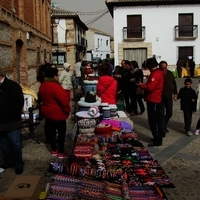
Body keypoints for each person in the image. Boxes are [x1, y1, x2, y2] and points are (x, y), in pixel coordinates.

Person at [39, 68, 71, 158]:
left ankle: (53, 150)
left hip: (47, 113)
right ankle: (61, 152)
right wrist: (67, 110)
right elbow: (63, 101)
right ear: (54, 76)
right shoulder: (55, 86)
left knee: (51, 132)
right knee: (61, 133)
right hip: (58, 114)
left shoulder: (43, 85)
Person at [0, 70, 24, 174]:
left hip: (12, 122)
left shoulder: (13, 86)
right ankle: (8, 161)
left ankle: (18, 164)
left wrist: (6, 113)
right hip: (0, 123)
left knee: (15, 144)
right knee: (3, 144)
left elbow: (18, 104)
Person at [137, 57, 164, 147]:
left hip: (154, 99)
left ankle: (157, 140)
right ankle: (157, 136)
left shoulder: (155, 74)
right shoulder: (158, 73)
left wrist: (141, 85)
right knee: (155, 120)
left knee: (154, 121)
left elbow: (150, 87)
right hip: (155, 98)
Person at [159, 61, 178, 137]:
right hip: (160, 97)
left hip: (169, 97)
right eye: (162, 67)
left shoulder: (169, 73)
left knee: (169, 113)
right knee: (161, 114)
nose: (164, 68)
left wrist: (175, 93)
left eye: (165, 67)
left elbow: (174, 83)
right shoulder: (158, 73)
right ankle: (163, 129)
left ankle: (163, 125)